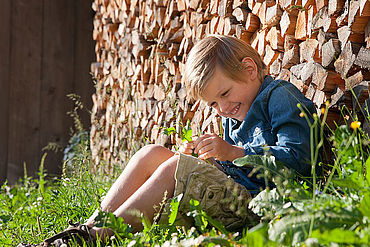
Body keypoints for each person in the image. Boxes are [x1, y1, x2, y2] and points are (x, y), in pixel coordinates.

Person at [19, 35, 317, 246]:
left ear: (250, 70)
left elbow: (300, 160)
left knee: (174, 167)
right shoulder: (235, 113)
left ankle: (98, 237)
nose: (223, 109)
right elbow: (233, 165)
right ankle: (88, 226)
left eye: (224, 95)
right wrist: (209, 160)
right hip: (235, 191)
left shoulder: (278, 97)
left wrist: (234, 152)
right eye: (213, 104)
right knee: (152, 153)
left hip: (260, 205)